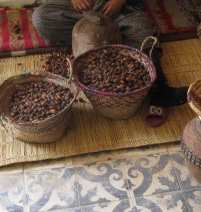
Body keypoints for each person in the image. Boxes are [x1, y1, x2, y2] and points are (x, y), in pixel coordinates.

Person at [32, 0, 187, 125]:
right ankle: (92, 37)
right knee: (42, 19)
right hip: (84, 8)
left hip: (122, 7)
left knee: (142, 31)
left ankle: (159, 89)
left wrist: (119, 1)